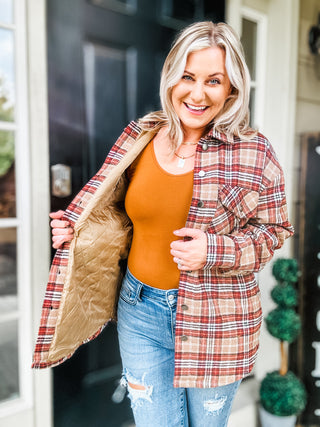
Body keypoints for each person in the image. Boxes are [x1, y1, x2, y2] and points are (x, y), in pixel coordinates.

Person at [33, 21, 294, 426]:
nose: (197, 92)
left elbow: (274, 231)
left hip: (216, 321)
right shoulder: (140, 135)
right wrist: (77, 228)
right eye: (187, 77)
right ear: (171, 78)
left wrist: (214, 249)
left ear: (232, 90)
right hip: (140, 310)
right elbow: (116, 210)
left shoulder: (254, 151)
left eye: (214, 80)